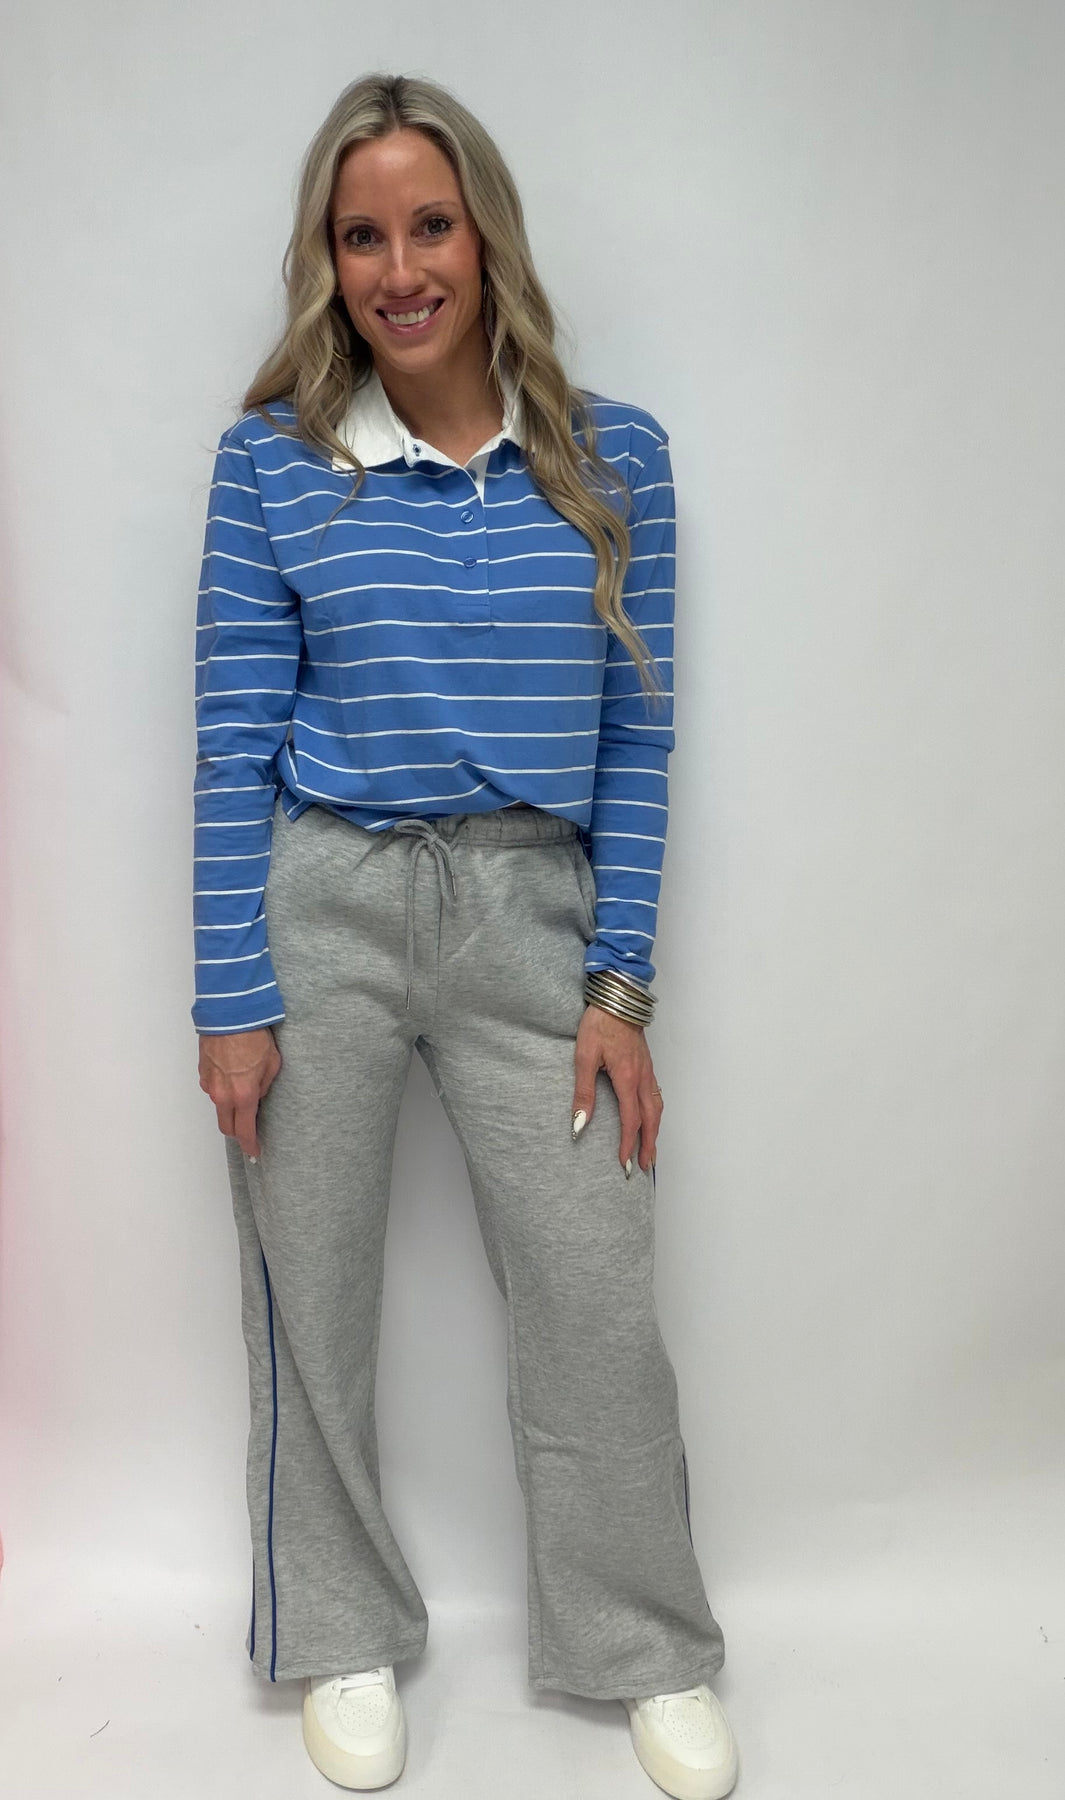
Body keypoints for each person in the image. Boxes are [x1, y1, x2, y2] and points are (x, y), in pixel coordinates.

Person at [193, 71, 740, 1799]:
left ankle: (638, 1640)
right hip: (327, 909)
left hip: (531, 921)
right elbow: (230, 740)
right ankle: (339, 1626)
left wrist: (619, 984)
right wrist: (229, 992)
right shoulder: (273, 464)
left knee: (593, 1302)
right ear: (327, 262)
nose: (400, 267)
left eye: (430, 224)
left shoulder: (616, 458)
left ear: (486, 235)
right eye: (362, 236)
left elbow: (638, 738)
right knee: (311, 1299)